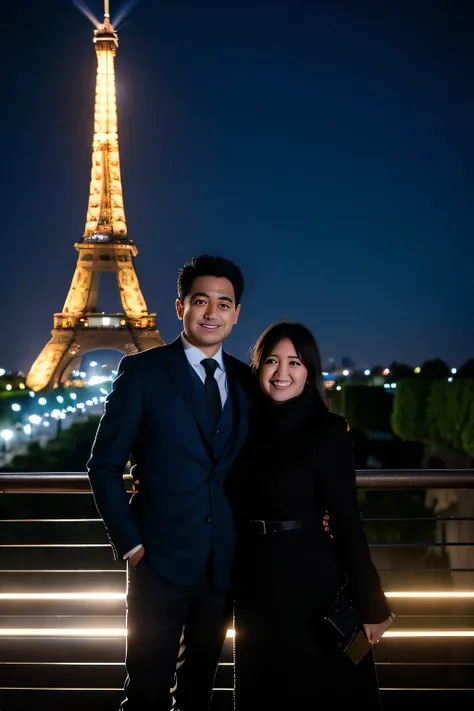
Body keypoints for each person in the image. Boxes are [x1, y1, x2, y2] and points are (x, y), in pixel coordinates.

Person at [87, 255, 253, 711]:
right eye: (201, 301)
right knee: (144, 693)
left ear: (236, 314)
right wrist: (131, 545)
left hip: (223, 563)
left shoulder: (245, 380)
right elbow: (102, 466)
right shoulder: (142, 373)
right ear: (180, 307)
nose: (212, 313)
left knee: (199, 693)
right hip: (156, 560)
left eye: (224, 303)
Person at [226, 321, 394, 710]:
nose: (282, 372)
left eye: (295, 362)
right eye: (272, 360)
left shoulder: (329, 431)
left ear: (310, 372)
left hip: (311, 580)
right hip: (254, 581)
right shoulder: (241, 429)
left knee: (321, 691)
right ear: (258, 367)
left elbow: (347, 519)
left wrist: (371, 603)